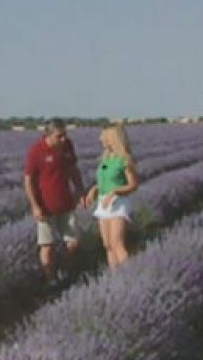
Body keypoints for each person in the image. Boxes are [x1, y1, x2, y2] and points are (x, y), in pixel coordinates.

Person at [23, 118, 84, 286]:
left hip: (66, 203)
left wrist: (80, 189)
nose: (64, 139)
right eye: (60, 136)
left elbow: (73, 169)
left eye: (65, 135)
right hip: (45, 206)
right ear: (48, 135)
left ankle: (64, 271)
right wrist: (35, 206)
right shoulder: (36, 151)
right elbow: (28, 180)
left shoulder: (67, 146)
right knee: (47, 245)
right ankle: (50, 280)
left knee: (73, 243)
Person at [84, 124, 139, 268]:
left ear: (112, 138)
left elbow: (133, 184)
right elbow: (104, 182)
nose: (100, 138)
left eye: (104, 136)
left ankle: (129, 275)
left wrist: (115, 192)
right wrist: (94, 189)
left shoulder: (124, 160)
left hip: (118, 202)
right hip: (103, 202)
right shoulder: (106, 159)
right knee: (107, 244)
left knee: (117, 244)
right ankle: (115, 276)